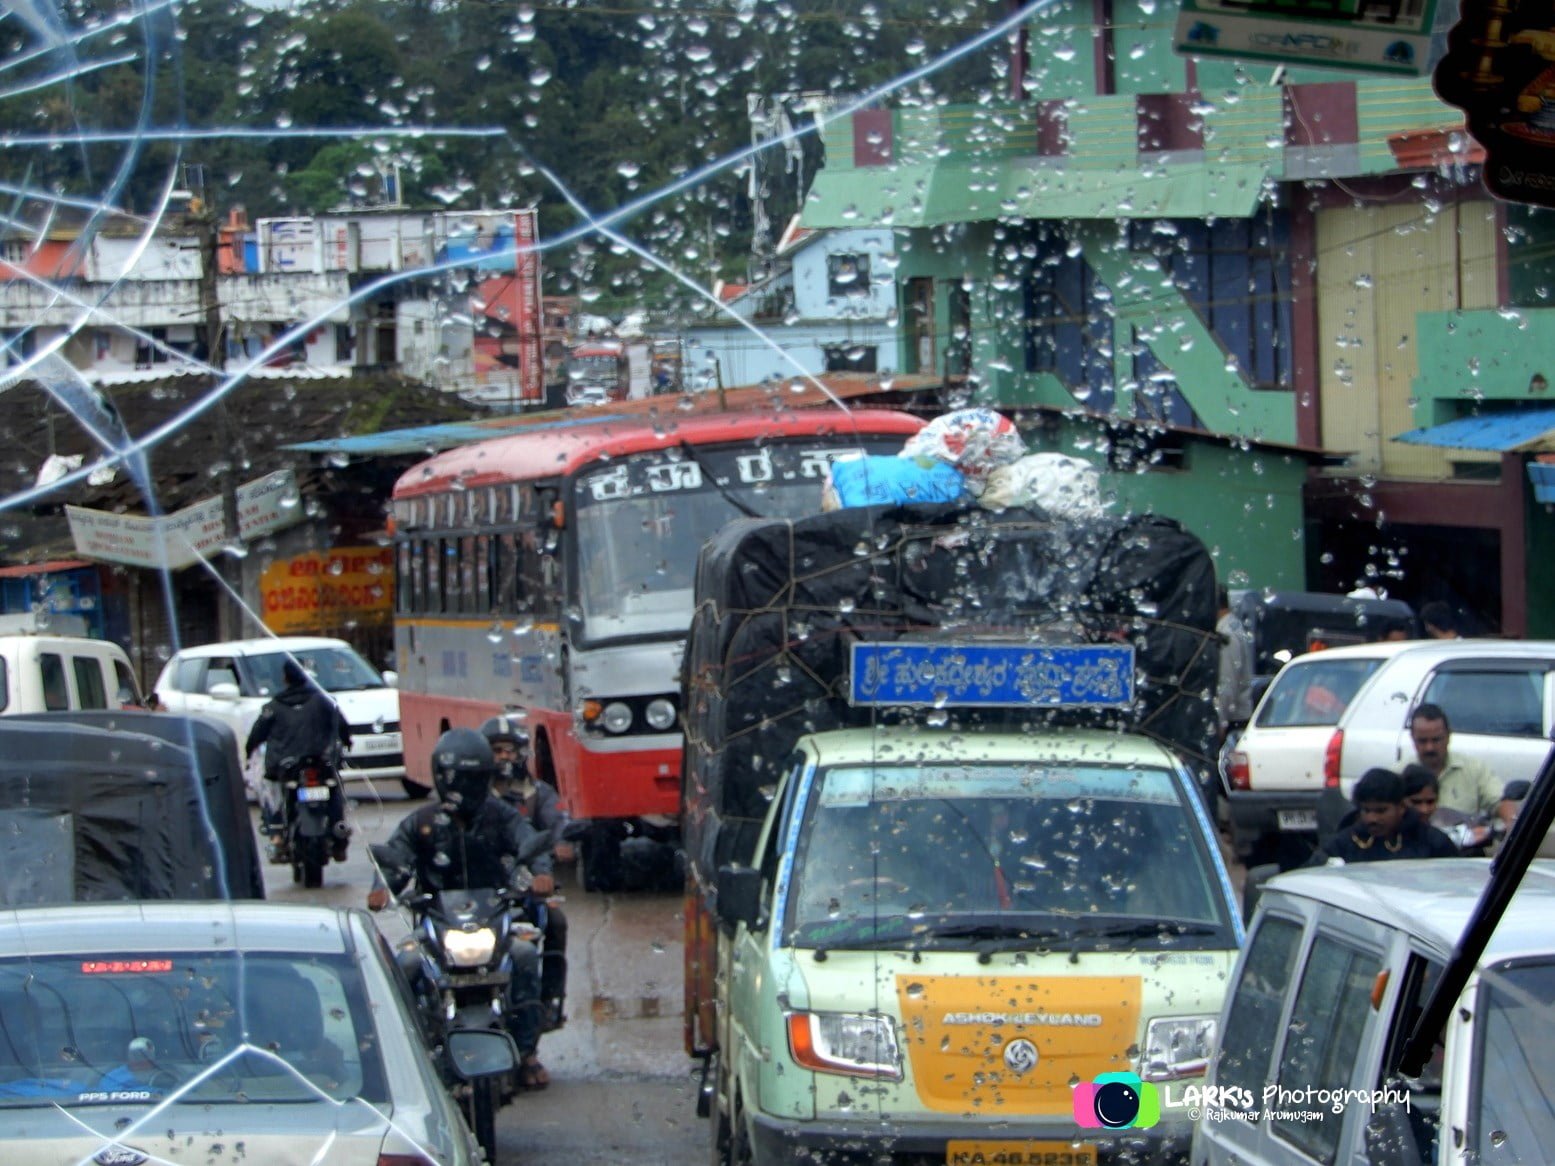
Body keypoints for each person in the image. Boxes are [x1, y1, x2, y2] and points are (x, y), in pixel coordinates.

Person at [367, 728, 553, 1090]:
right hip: (438, 923)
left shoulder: (502, 816)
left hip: (494, 917)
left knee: (526, 956)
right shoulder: (421, 822)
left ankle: (527, 1052)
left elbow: (530, 843)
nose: (463, 786)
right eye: (456, 778)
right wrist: (381, 888)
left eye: (470, 778)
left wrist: (541, 873)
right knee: (404, 965)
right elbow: (395, 859)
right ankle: (410, 1057)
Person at [480, 714, 569, 1032]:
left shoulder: (537, 793)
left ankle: (548, 1003)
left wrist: (548, 865)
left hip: (518, 884)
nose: (504, 757)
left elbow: (552, 829)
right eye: (496, 750)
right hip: (475, 888)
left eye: (510, 750)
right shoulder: (469, 795)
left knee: (554, 920)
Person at [245, 658, 352, 861]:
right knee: (335, 789)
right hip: (321, 762)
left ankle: (276, 837)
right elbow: (342, 726)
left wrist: (249, 751)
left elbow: (256, 734)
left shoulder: (274, 706)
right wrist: (346, 742)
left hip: (286, 767)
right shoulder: (323, 701)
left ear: (285, 678)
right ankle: (339, 833)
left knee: (272, 794)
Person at [1309, 768, 1459, 864]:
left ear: (1401, 807)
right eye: (1366, 811)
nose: (1371, 819)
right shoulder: (1344, 843)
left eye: (1381, 811)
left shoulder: (1432, 842)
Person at [1408, 703, 1514, 830]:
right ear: (1413, 739)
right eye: (1423, 741)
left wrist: (1512, 824)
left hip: (1465, 847)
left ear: (1448, 737)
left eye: (1436, 740)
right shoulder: (1399, 775)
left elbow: (1500, 801)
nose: (1429, 747)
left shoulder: (1474, 769)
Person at [1215, 586, 1255, 744]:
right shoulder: (1233, 627)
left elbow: (1227, 682)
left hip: (1233, 722)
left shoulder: (1227, 635)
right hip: (1235, 719)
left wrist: (1220, 722)